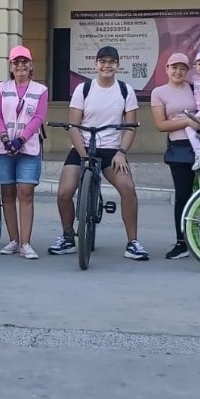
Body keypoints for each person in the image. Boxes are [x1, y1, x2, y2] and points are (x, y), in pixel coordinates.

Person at [50, 45, 145, 260]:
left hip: (111, 150)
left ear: (118, 65)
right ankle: (67, 236)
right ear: (96, 64)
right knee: (64, 192)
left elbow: (130, 128)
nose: (107, 65)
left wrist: (121, 152)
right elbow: (73, 126)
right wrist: (83, 155)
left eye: (111, 62)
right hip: (83, 147)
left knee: (128, 188)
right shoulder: (83, 89)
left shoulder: (125, 90)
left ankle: (133, 242)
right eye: (102, 61)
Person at [0, 45, 48, 260]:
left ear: (31, 65)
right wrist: (6, 138)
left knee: (26, 192)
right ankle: (14, 240)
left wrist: (21, 139)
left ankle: (26, 242)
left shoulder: (40, 90)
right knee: (7, 193)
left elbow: (38, 117)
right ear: (11, 66)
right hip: (3, 146)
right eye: (16, 62)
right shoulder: (1, 87)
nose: (21, 65)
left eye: (25, 61)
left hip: (28, 147)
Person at [150, 53, 200, 260]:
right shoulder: (158, 92)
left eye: (183, 68)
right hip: (180, 147)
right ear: (166, 68)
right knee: (183, 193)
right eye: (174, 67)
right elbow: (161, 124)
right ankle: (181, 242)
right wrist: (187, 123)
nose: (178, 71)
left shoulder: (195, 88)